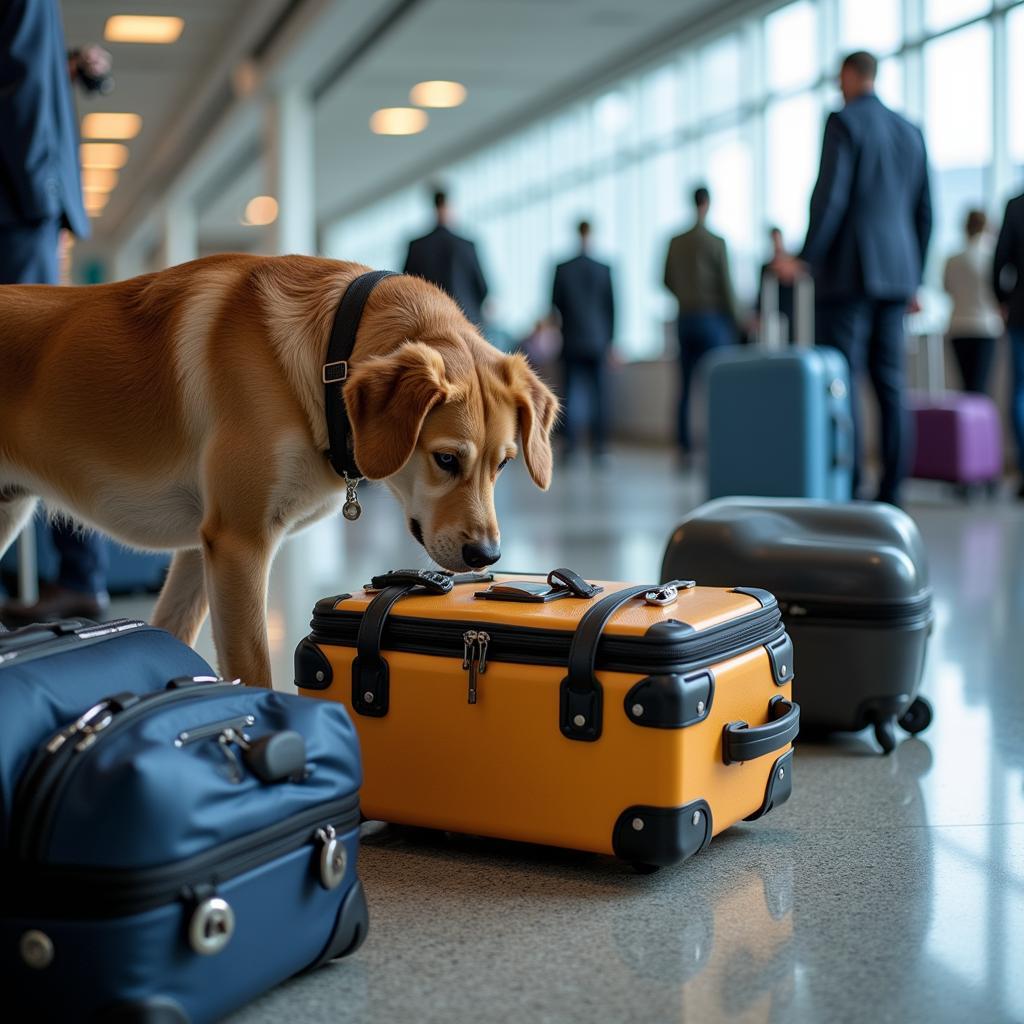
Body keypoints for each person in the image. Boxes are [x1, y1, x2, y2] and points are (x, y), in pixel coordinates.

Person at [0, 0, 111, 622]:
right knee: (48, 384)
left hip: (20, 205)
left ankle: (80, 575)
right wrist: (43, 198)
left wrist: (66, 67)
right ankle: (80, 576)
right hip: (19, 210)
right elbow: (17, 76)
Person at [792, 50, 931, 506]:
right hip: (897, 276)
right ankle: (893, 489)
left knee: (844, 379)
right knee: (892, 385)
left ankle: (848, 485)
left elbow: (830, 196)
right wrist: (916, 279)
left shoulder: (843, 122)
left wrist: (806, 257)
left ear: (851, 76)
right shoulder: (910, 131)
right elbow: (925, 213)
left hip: (850, 274)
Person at [663, 185, 740, 457]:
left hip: (685, 318)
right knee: (716, 385)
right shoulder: (716, 242)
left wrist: (685, 296)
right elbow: (727, 286)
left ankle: (684, 447)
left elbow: (665, 280)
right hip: (711, 319)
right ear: (708, 203)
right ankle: (717, 443)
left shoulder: (675, 241)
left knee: (684, 386)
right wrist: (739, 319)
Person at [551, 220, 615, 460]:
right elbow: (611, 308)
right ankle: (600, 447)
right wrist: (611, 341)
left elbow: (554, 304)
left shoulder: (563, 268)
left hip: (572, 339)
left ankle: (570, 446)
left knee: (569, 394)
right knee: (600, 395)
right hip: (598, 340)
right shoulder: (604, 268)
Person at [403, 189, 489, 327]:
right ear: (449, 207)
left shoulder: (417, 247)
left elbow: (407, 286)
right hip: (465, 321)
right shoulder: (466, 246)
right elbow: (483, 288)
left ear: (433, 207)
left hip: (428, 322)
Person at [943, 209, 1003, 395]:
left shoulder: (952, 260)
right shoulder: (992, 258)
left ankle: (968, 425)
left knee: (966, 388)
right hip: (985, 326)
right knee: (980, 387)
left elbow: (946, 289)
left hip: (958, 326)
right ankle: (979, 425)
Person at [993, 190, 1024, 498]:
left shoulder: (1016, 205)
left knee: (1020, 393)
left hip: (1020, 310)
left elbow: (1000, 260)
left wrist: (1002, 300)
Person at [758, 227, 796, 344]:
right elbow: (761, 293)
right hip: (772, 311)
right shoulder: (766, 267)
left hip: (791, 311)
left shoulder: (793, 265)